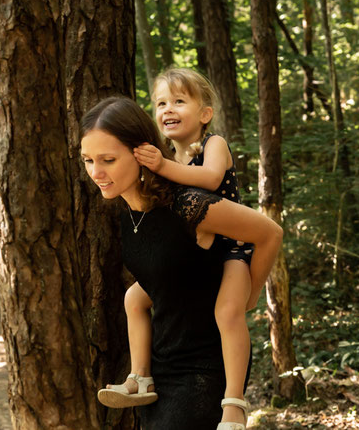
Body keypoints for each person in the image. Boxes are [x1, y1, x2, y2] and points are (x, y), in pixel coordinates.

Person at [81, 96, 282, 430]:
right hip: (160, 371)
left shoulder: (189, 205)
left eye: (108, 159)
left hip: (203, 372)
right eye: (88, 160)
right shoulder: (129, 212)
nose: (96, 172)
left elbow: (270, 233)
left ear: (141, 152)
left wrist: (250, 293)